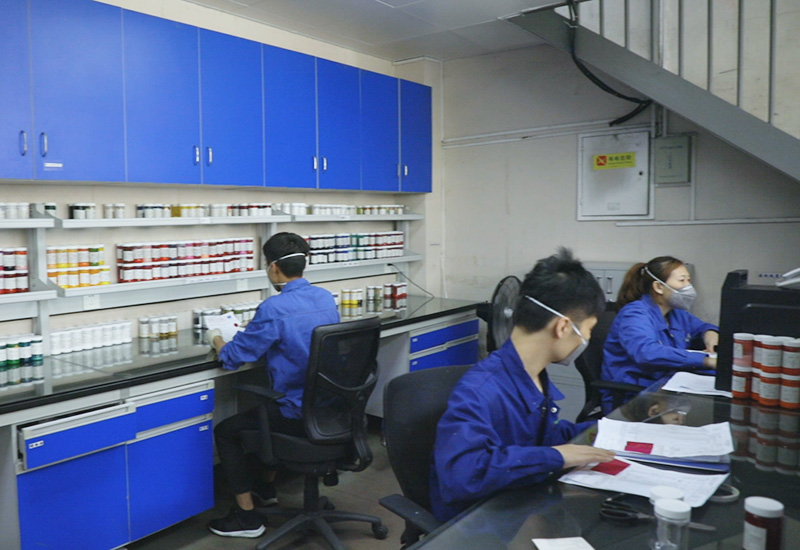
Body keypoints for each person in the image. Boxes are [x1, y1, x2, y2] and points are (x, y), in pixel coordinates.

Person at [429, 248, 616, 523]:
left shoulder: (534, 375)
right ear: (563, 327)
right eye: (588, 329)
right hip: (479, 522)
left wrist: (604, 432)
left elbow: (539, 435)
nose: (586, 339)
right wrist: (555, 457)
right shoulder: (481, 390)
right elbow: (462, 475)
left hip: (519, 501)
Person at [205, 232, 340, 538]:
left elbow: (234, 357)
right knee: (267, 411)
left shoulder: (274, 308)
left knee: (226, 431)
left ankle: (246, 517)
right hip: (330, 407)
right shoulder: (324, 297)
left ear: (273, 267)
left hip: (296, 412)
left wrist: (216, 338)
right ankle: (265, 489)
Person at [600, 256, 719, 413]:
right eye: (682, 280)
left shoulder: (676, 313)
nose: (688, 286)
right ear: (658, 287)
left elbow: (702, 327)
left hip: (664, 389)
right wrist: (705, 361)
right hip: (633, 398)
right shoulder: (634, 314)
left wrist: (710, 334)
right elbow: (647, 353)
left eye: (688, 280)